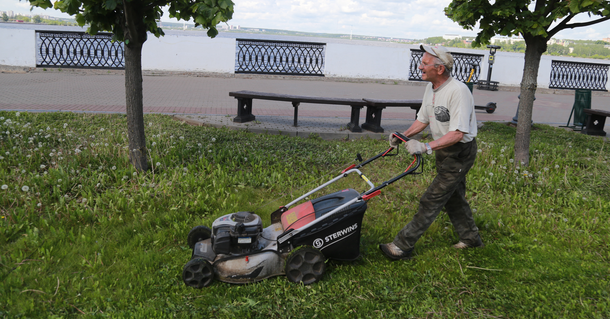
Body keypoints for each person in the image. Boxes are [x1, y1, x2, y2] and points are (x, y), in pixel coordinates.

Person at [379, 45, 483, 260]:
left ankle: (402, 246)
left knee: (432, 198)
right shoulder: (431, 88)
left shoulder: (458, 91)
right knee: (453, 197)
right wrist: (404, 135)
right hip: (443, 150)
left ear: (440, 69)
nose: (420, 66)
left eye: (425, 64)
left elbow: (457, 133)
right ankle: (471, 239)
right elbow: (424, 119)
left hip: (459, 152)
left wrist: (425, 147)